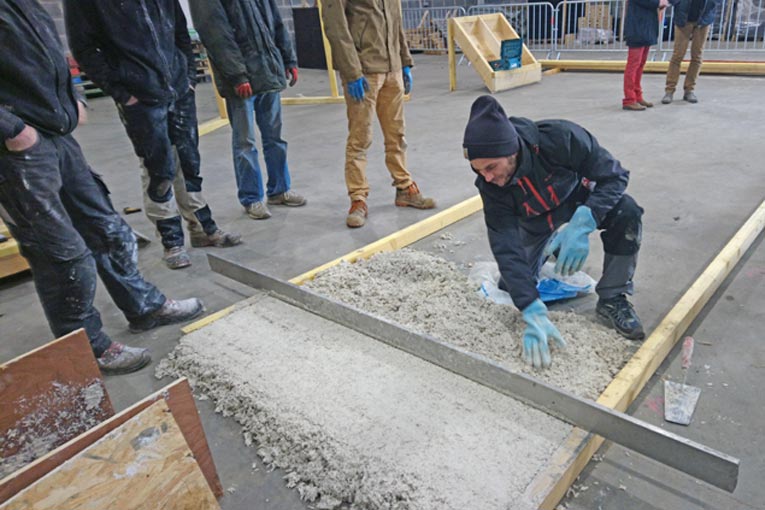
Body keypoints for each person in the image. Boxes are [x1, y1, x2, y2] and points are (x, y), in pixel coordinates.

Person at [0, 0, 205, 375]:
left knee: (108, 229)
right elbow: (85, 44)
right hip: (17, 148)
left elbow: (53, 52)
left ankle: (144, 307)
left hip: (54, 132)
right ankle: (86, 347)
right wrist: (12, 130)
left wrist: (74, 96)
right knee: (61, 254)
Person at [463, 96, 645, 369]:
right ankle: (552, 249)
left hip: (576, 203)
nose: (487, 177)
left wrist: (584, 221)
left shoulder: (561, 138)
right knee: (512, 287)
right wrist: (530, 308)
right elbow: (505, 243)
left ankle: (613, 298)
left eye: (491, 167)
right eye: (478, 170)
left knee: (627, 212)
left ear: (512, 150)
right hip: (534, 222)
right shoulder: (490, 185)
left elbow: (615, 176)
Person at [64, 0, 242, 270]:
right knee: (158, 168)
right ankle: (172, 241)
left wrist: (189, 78)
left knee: (189, 161)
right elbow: (84, 48)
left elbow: (181, 34)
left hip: (179, 90)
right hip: (141, 97)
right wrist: (123, 93)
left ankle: (203, 229)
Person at [321, 0, 436, 228]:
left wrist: (404, 61)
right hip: (364, 72)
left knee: (397, 134)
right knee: (360, 139)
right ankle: (358, 199)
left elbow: (396, 22)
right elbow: (336, 27)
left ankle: (404, 188)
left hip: (392, 69)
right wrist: (351, 71)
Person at [188, 0, 307, 221]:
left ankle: (279, 190)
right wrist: (237, 75)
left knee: (275, 138)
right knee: (245, 143)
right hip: (242, 82)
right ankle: (252, 197)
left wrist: (288, 58)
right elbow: (216, 34)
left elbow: (277, 23)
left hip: (268, 72)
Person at [662, 0, 720, 104]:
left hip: (703, 20)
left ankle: (689, 90)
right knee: (677, 55)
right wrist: (678, 3)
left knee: (697, 56)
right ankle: (669, 90)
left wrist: (711, 5)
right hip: (683, 19)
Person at [622, 0, 671, 110]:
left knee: (639, 65)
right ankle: (629, 99)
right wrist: (659, 3)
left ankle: (637, 96)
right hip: (637, 28)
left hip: (645, 28)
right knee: (634, 65)